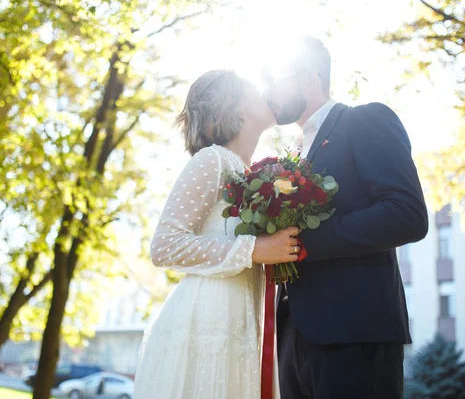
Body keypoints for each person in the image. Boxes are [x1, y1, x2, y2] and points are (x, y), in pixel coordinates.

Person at [265, 36, 429, 399]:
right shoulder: (289, 154)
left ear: (310, 78)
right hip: (294, 336)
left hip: (355, 332)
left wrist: (304, 243)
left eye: (274, 80)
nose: (268, 94)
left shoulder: (365, 120)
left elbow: (408, 214)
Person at [133, 70, 301, 399]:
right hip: (208, 325)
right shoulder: (212, 160)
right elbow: (164, 246)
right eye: (254, 87)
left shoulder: (250, 173)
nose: (266, 91)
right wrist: (252, 250)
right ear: (233, 106)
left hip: (245, 324)